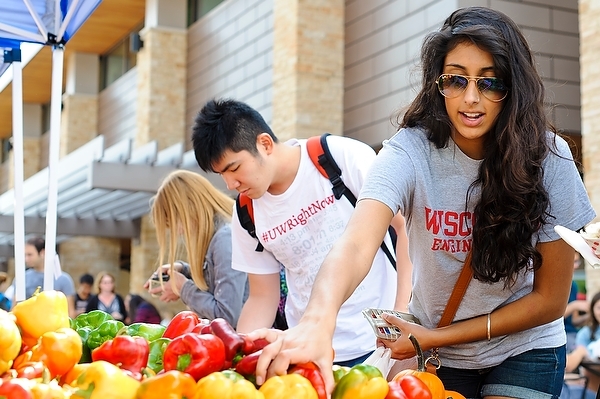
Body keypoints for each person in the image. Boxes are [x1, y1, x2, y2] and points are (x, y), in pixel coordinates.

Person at [246, 6, 597, 398]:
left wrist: (433, 335)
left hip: (524, 347)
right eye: (455, 80)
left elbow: (549, 300)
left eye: (489, 83)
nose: (471, 99)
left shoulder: (550, 157)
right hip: (440, 353)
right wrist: (316, 321)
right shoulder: (408, 152)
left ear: (513, 87)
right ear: (437, 83)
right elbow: (357, 243)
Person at [191, 98, 407, 366]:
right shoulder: (247, 212)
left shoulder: (340, 158)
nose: (230, 183)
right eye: (220, 175)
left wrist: (401, 315)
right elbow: (262, 297)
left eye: (234, 168)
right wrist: (238, 359)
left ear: (265, 144)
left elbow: (404, 227)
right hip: (305, 351)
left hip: (379, 345)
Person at [143, 170, 249, 328]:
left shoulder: (225, 239)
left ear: (188, 208)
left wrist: (183, 287)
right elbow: (219, 275)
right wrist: (185, 271)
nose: (179, 232)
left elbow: (226, 317)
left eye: (175, 223)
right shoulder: (221, 234)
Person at [10, 237, 76, 314]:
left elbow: (70, 311)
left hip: (55, 324)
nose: (26, 259)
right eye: (25, 255)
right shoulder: (21, 278)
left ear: (42, 253)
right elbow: (14, 308)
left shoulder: (63, 279)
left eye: (30, 255)